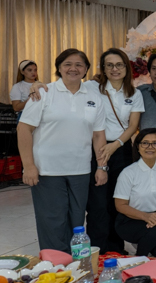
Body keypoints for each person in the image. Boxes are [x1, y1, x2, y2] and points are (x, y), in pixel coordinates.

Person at [17, 48, 108, 253]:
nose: (73, 68)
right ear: (59, 68)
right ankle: (54, 267)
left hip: (80, 170)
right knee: (52, 221)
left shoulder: (94, 97)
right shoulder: (43, 93)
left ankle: (75, 267)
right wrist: (28, 166)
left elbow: (98, 135)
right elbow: (23, 129)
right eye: (67, 64)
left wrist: (102, 166)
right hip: (47, 170)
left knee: (77, 221)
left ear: (86, 70)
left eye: (79, 65)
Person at [87, 49, 145, 254]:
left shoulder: (134, 93)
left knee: (117, 200)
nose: (114, 69)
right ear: (103, 68)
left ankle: (116, 248)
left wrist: (116, 144)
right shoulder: (92, 87)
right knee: (98, 203)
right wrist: (37, 85)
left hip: (121, 150)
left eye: (119, 64)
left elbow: (133, 126)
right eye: (109, 65)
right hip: (96, 148)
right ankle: (98, 249)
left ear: (126, 67)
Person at [113, 128, 156, 257]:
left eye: (155, 143)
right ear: (138, 146)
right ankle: (140, 258)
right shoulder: (128, 172)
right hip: (130, 220)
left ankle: (147, 242)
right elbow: (120, 205)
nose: (150, 147)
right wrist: (146, 217)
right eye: (145, 143)